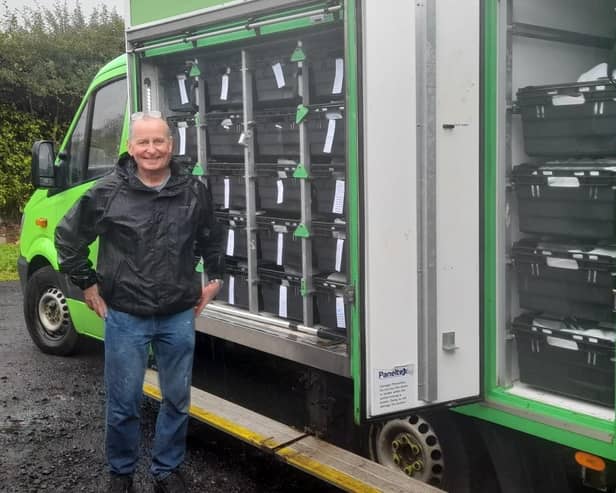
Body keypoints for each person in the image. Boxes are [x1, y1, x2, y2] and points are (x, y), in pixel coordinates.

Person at [55, 111, 224, 493]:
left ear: (172, 146)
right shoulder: (107, 191)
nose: (152, 149)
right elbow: (68, 239)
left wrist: (213, 280)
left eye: (159, 141)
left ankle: (167, 471)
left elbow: (212, 236)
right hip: (126, 316)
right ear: (131, 148)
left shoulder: (194, 191)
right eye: (143, 142)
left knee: (177, 401)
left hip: (178, 315)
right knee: (124, 403)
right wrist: (87, 285)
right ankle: (121, 474)